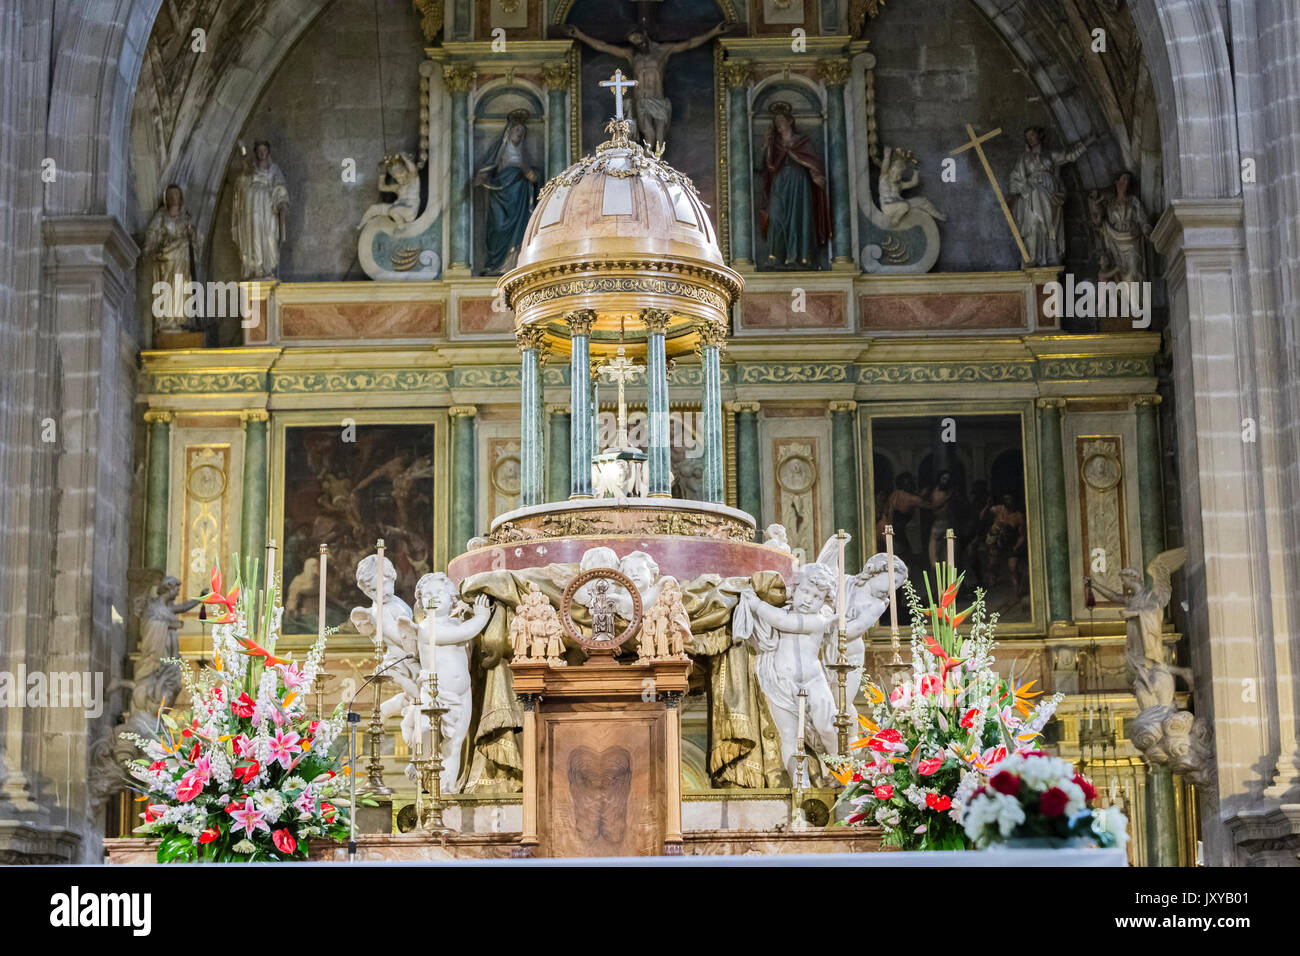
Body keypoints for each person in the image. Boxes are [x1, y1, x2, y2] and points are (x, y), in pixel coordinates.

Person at [566, 21, 729, 146]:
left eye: (637, 38)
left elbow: (690, 43)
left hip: (658, 100)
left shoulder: (662, 51)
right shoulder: (632, 55)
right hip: (641, 102)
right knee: (648, 135)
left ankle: (656, 169)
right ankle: (646, 166)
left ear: (644, 35)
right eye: (633, 41)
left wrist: (713, 32)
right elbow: (603, 46)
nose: (637, 42)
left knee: (658, 139)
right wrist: (580, 35)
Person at [759, 103, 831, 269]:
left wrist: (814, 174)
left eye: (781, 120)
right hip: (779, 182)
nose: (778, 124)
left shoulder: (802, 141)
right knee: (775, 217)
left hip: (798, 182)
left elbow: (812, 162)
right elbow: (761, 165)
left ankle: (797, 257)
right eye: (776, 121)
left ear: (789, 121)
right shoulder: (774, 144)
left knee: (797, 218)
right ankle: (774, 256)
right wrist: (766, 144)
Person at [1007, 126, 1089, 266]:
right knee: (1033, 224)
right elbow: (1014, 178)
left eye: (1032, 135)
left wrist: (1087, 142)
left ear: (1040, 135)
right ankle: (1034, 256)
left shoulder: (1050, 154)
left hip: (1050, 194)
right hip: (1031, 194)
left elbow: (1070, 155)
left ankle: (1051, 257)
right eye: (1028, 137)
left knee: (1050, 226)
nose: (1030, 138)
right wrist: (1021, 188)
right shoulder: (1023, 158)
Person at [473, 112, 540, 274]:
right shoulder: (499, 151)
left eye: (521, 133)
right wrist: (481, 177)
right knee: (497, 228)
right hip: (499, 194)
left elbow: (534, 176)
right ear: (509, 132)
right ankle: (495, 264)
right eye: (516, 131)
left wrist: (531, 176)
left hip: (519, 195)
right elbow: (487, 168)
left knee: (519, 228)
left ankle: (513, 264)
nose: (519, 135)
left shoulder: (524, 155)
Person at [230, 139, 289, 279]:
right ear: (256, 153)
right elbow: (241, 185)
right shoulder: (251, 170)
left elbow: (280, 187)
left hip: (268, 209)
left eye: (264, 150)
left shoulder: (274, 170)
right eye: (259, 151)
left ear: (268, 152)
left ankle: (268, 268)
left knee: (269, 235)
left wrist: (282, 202)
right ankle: (257, 268)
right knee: (254, 234)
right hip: (253, 208)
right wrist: (244, 179)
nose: (262, 153)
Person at [143, 184, 198, 334]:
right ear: (167, 198)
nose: (174, 198)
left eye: (177, 195)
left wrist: (191, 234)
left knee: (181, 284)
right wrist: (154, 246)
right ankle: (167, 319)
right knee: (168, 285)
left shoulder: (186, 217)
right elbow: (151, 234)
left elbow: (195, 240)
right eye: (171, 195)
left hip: (181, 261)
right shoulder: (161, 216)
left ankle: (180, 319)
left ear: (181, 197)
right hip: (166, 259)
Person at [1089, 170, 1151, 282]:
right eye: (1124, 179)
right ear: (1116, 182)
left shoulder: (1133, 200)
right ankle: (1127, 298)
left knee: (1134, 270)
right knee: (1121, 272)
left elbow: (1142, 218)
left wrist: (1146, 229)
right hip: (1115, 240)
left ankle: (1138, 298)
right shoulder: (1110, 204)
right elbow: (1100, 221)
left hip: (1132, 239)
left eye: (1128, 180)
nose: (1126, 182)